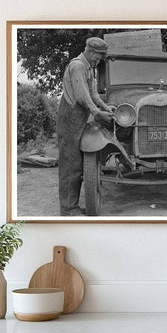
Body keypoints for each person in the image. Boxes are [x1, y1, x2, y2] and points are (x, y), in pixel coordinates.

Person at [56, 37, 113, 216]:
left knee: (77, 163)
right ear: (89, 51)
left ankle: (71, 206)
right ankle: (68, 209)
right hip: (70, 118)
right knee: (70, 164)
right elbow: (82, 96)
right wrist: (97, 113)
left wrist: (106, 107)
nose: (98, 61)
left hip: (78, 119)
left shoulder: (89, 68)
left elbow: (93, 93)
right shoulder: (78, 66)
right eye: (97, 57)